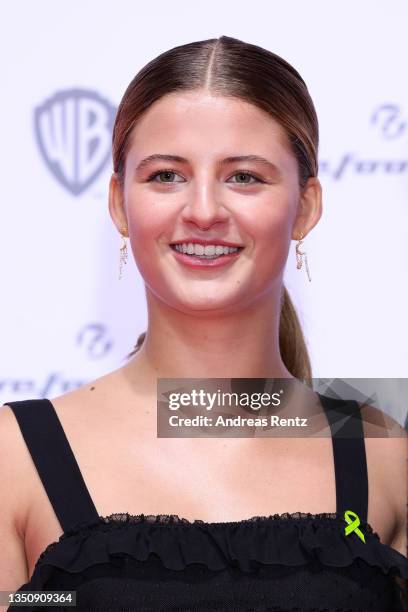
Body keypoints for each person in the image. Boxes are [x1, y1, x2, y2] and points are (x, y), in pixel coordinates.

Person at [1, 35, 407, 611]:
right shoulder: (14, 457)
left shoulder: (384, 457)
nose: (204, 211)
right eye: (167, 175)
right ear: (119, 202)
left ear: (307, 206)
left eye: (244, 176)